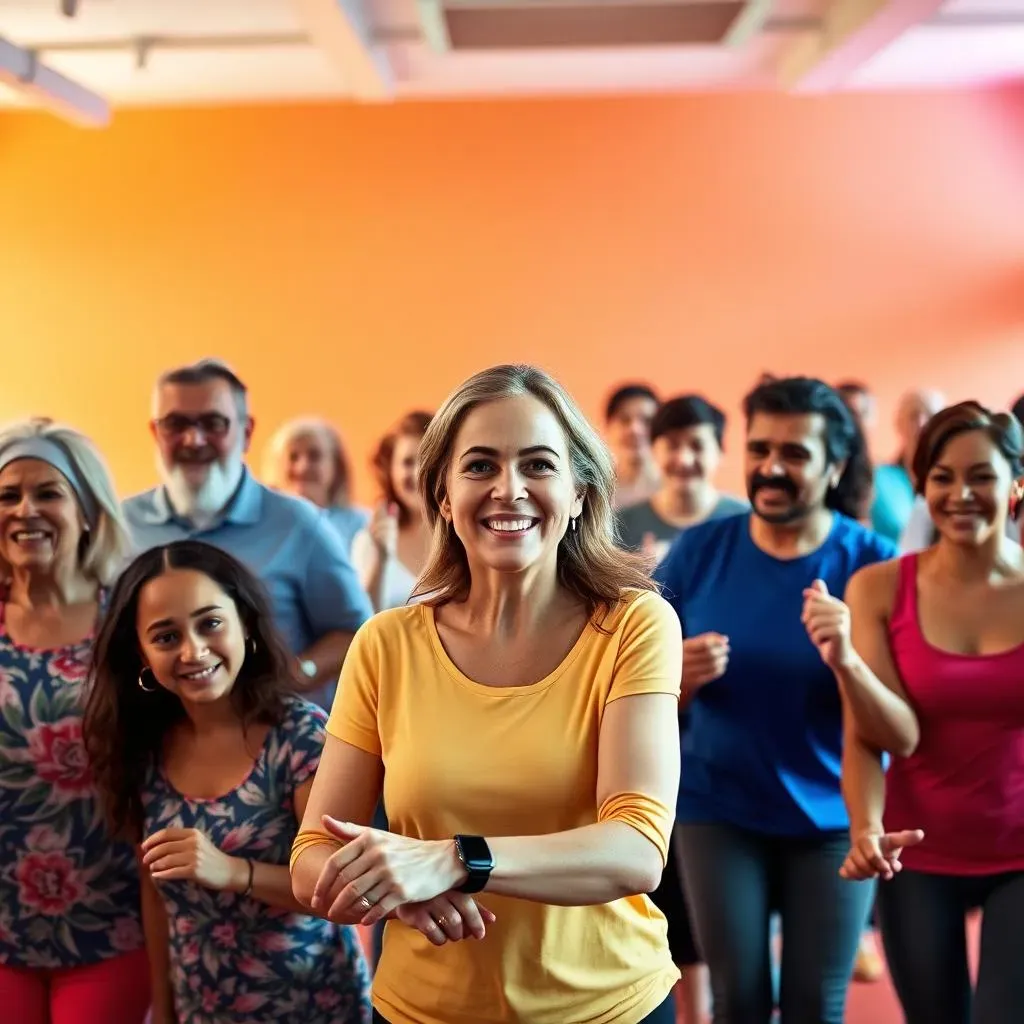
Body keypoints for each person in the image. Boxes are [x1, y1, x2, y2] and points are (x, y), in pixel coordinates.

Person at [290, 363, 684, 1024]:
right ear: (442, 495)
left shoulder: (634, 626)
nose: (510, 490)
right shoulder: (385, 644)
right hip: (422, 1008)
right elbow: (311, 856)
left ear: (582, 492)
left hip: (607, 1005)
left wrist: (453, 861)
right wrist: (396, 892)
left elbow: (637, 848)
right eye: (479, 466)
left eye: (537, 465)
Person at [656, 376, 895, 1024]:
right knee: (740, 1001)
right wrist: (677, 681)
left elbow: (898, 725)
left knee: (817, 1006)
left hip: (832, 817)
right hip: (718, 810)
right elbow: (634, 695)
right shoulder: (699, 551)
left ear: (835, 465)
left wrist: (846, 658)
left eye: (794, 453)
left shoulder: (873, 565)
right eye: (760, 449)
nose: (771, 467)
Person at [82, 540, 372, 1024]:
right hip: (203, 1005)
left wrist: (235, 872)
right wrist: (165, 1008)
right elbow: (155, 893)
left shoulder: (301, 736)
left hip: (312, 1002)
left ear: (245, 625)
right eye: (166, 636)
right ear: (141, 653)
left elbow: (345, 895)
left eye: (210, 623)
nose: (194, 650)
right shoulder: (143, 747)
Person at [824, 402, 1024, 1024]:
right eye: (942, 476)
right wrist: (866, 829)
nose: (961, 494)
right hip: (915, 851)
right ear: (920, 485)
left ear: (1017, 484)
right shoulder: (879, 588)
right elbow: (868, 736)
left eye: (982, 476)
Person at [0, 419, 150, 1024]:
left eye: (48, 493)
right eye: (8, 496)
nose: (25, 510)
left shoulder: (131, 621)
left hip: (110, 922)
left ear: (87, 511)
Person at [122, 358, 372, 708]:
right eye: (176, 424)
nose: (193, 440)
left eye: (213, 423)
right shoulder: (120, 525)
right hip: (154, 743)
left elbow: (357, 632)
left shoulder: (299, 524)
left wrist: (293, 677)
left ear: (247, 432)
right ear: (155, 432)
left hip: (273, 738)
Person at [616, 393, 745, 1023]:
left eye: (700, 445)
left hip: (729, 731)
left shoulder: (744, 520)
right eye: (675, 443)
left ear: (720, 452)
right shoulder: (622, 523)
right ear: (656, 450)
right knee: (664, 882)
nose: (686, 458)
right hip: (649, 725)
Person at [351, 412, 433, 613]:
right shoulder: (369, 543)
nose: (418, 473)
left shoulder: (465, 533)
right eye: (407, 462)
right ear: (391, 471)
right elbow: (363, 625)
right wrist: (382, 558)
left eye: (427, 459)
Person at [262, 417, 369, 551]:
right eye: (293, 457)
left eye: (315, 456)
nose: (302, 467)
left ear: (336, 466)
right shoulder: (261, 525)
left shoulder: (362, 526)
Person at [870, 388, 945, 544]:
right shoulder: (878, 478)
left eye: (929, 415)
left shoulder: (951, 478)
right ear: (899, 423)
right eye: (914, 416)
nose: (921, 423)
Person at [604, 383, 660, 509]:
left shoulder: (675, 487)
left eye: (647, 420)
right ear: (608, 426)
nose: (635, 429)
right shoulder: (593, 491)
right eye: (625, 419)